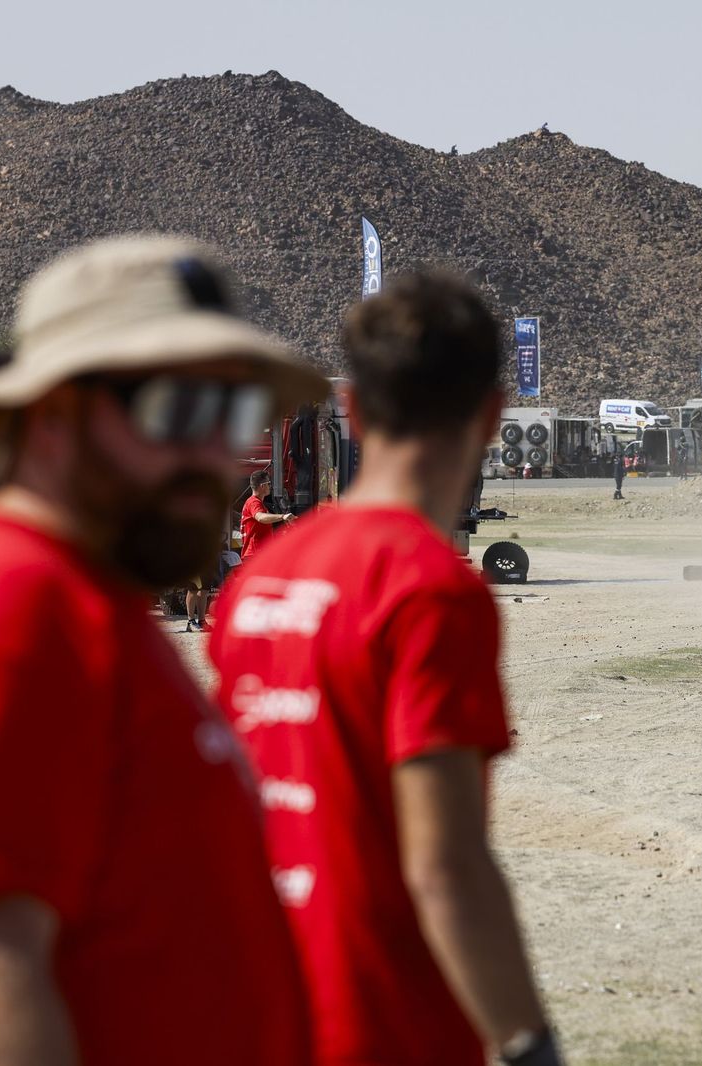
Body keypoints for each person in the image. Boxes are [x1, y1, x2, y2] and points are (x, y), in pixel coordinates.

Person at [0, 236, 325, 1066]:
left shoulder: (78, 600)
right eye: (177, 410)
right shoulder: (2, 613)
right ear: (51, 415)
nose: (213, 456)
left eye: (232, 413)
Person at [210, 272, 560, 1066]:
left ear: (357, 412)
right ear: (493, 418)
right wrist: (529, 1043)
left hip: (261, 1010)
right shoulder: (431, 591)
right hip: (385, 1026)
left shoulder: (259, 583)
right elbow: (445, 864)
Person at [240, 470, 295, 563]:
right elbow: (260, 517)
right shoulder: (254, 502)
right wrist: (283, 517)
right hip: (255, 554)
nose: (270, 486)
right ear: (262, 486)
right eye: (269, 483)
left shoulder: (258, 503)